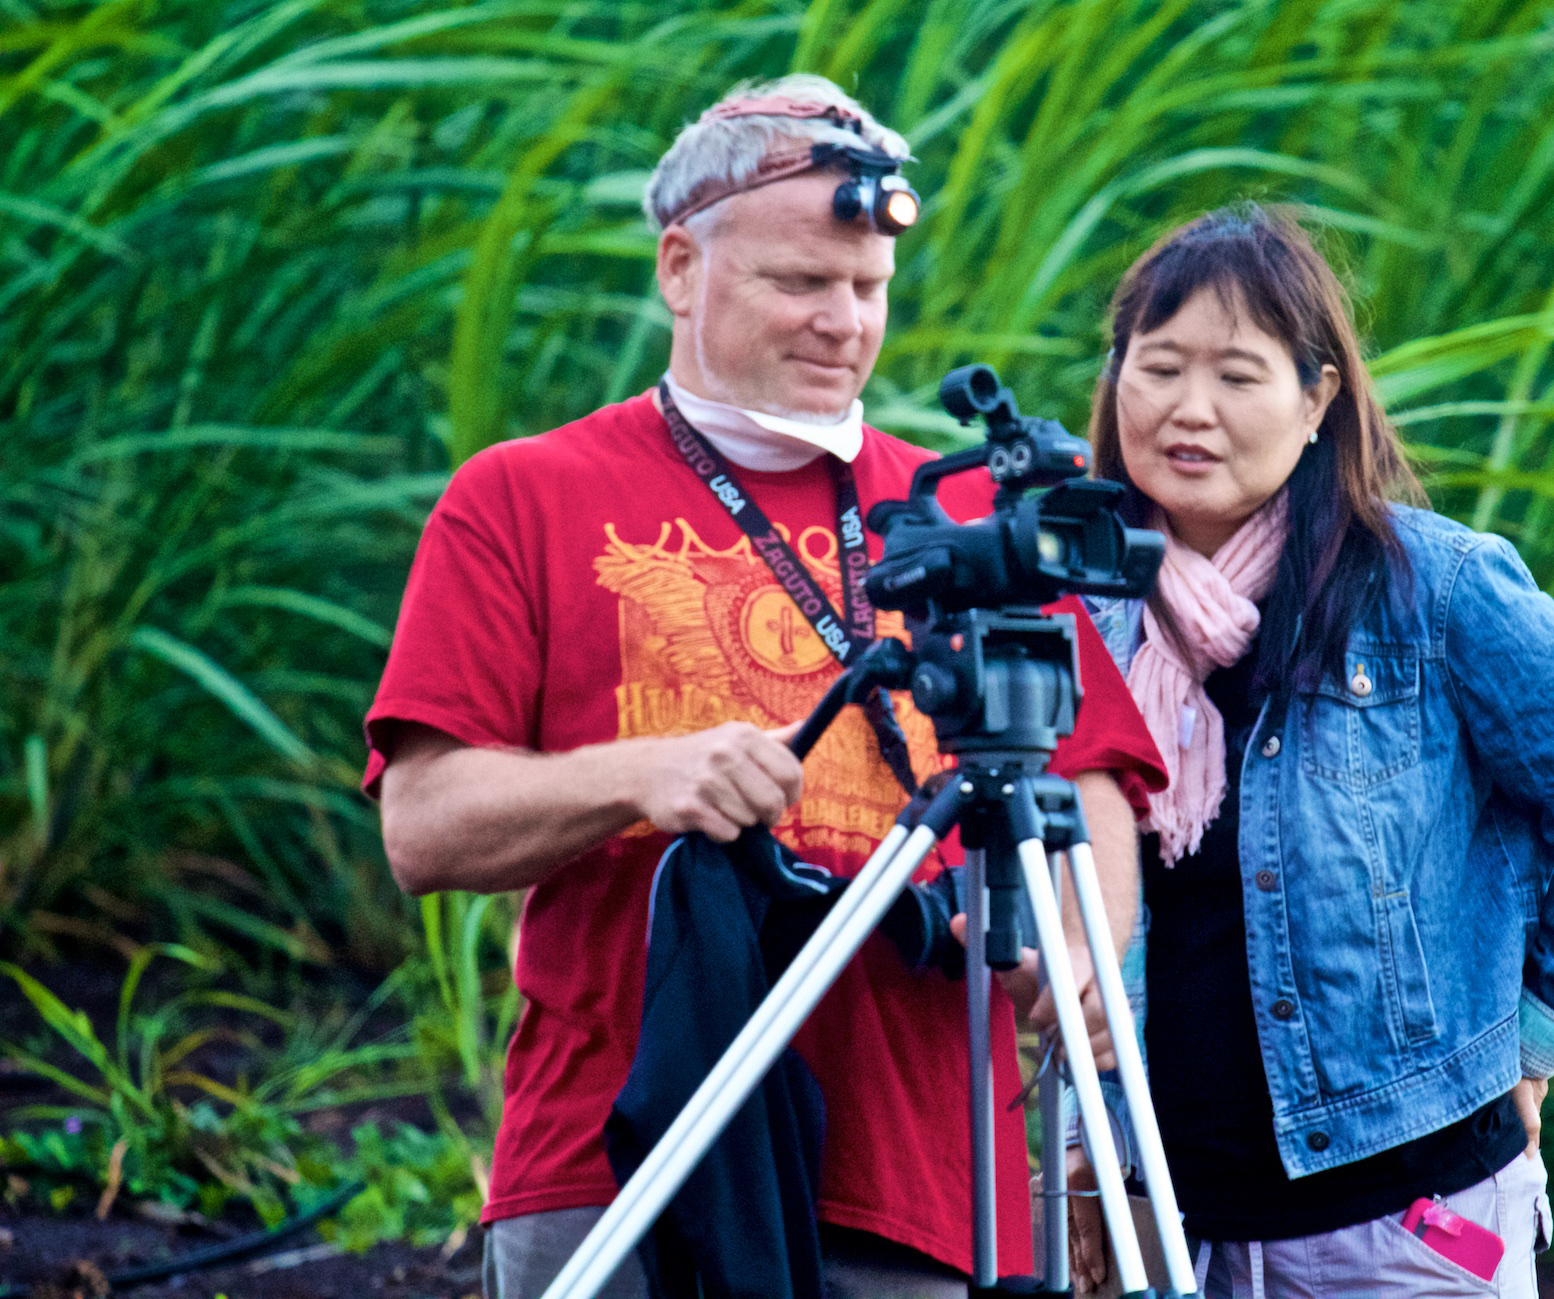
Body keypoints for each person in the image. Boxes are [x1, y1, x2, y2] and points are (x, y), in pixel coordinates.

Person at [366, 75, 1164, 1299]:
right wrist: (641, 774)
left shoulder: (961, 516)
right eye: (799, 283)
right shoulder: (519, 496)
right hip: (617, 1161)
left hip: (924, 1178)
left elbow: (1092, 772)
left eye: (867, 290)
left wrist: (1071, 941)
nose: (841, 322)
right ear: (680, 268)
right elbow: (422, 824)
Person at [1063, 207, 1554, 1298]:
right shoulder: (1079, 615)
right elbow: (1068, 923)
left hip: (1402, 1231)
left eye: (1236, 375)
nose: (1188, 409)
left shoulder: (1430, 589)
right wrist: (1087, 1146)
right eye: (1157, 366)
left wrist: (1531, 1039)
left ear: (1317, 400)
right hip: (1160, 1231)